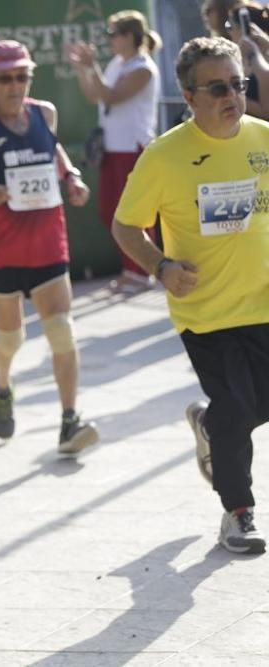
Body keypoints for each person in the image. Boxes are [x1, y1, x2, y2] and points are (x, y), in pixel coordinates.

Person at [112, 37, 269, 554]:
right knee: (236, 405)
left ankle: (209, 424)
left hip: (263, 302)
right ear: (188, 94)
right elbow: (125, 226)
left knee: (244, 409)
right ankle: (238, 512)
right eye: (218, 87)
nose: (233, 96)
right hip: (205, 310)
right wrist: (161, 266)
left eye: (240, 84)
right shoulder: (164, 157)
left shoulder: (263, 139)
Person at [0, 40, 99, 455]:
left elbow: (53, 149)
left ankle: (68, 423)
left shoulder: (45, 113)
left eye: (21, 76)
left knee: (62, 331)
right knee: (11, 340)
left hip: (47, 242)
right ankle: (3, 386)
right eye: (5, 78)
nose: (13, 85)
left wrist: (73, 176)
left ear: (30, 76)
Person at [66, 10, 162, 294]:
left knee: (135, 215)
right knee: (109, 211)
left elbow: (110, 95)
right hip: (113, 148)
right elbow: (93, 94)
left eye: (113, 35)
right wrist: (83, 68)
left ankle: (143, 272)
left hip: (133, 148)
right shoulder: (118, 64)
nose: (109, 40)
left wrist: (92, 65)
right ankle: (130, 270)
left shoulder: (144, 68)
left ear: (130, 37)